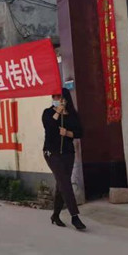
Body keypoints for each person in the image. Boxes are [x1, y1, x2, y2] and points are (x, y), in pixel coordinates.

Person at [42, 88, 86, 230]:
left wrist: (67, 133)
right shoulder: (48, 113)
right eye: (54, 96)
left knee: (61, 184)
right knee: (65, 182)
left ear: (65, 99)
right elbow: (49, 127)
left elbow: (79, 133)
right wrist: (58, 112)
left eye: (59, 96)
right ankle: (75, 216)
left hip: (68, 153)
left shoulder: (72, 115)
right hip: (51, 153)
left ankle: (55, 215)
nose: (56, 98)